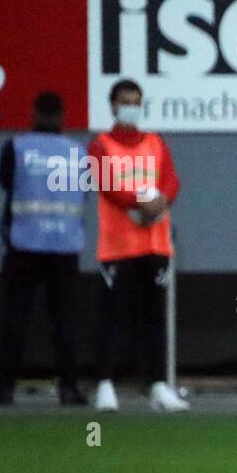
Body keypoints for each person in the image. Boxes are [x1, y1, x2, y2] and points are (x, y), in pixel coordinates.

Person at [0, 92, 88, 407]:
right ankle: (69, 389)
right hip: (65, 246)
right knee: (64, 321)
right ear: (63, 115)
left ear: (34, 113)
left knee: (15, 319)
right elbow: (83, 194)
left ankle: (5, 388)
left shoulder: (17, 147)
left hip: (24, 244)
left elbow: (5, 183)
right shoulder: (78, 152)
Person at [88, 79, 188, 413]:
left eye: (136, 100)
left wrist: (160, 202)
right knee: (113, 317)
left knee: (154, 318)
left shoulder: (156, 142)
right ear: (113, 106)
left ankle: (158, 386)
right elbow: (107, 185)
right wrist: (146, 200)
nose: (131, 106)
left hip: (155, 243)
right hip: (118, 246)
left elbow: (171, 181)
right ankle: (105, 385)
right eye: (125, 101)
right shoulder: (100, 145)